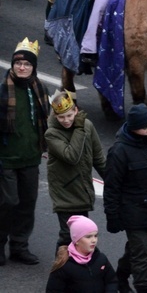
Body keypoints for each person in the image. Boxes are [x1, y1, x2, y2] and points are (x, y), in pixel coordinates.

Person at [104, 103, 147, 293]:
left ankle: (120, 277)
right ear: (133, 127)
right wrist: (113, 216)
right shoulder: (119, 152)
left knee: (136, 249)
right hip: (132, 212)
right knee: (143, 254)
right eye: (144, 127)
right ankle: (143, 288)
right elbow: (112, 187)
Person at [0, 38, 50, 266]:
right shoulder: (2, 92)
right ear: (12, 65)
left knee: (27, 203)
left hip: (30, 158)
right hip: (6, 159)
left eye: (27, 64)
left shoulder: (40, 89)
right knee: (8, 202)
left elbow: (47, 122)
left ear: (33, 67)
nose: (22, 67)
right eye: (18, 63)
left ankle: (20, 246)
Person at [45, 90, 106, 248]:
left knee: (81, 238)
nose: (66, 120)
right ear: (55, 116)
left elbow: (98, 158)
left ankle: (75, 269)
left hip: (82, 191)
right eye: (61, 117)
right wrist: (79, 129)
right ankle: (59, 270)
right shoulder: (52, 134)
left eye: (69, 115)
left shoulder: (87, 125)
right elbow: (72, 156)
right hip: (65, 193)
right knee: (68, 237)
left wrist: (113, 182)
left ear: (75, 111)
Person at [46, 215, 118, 292]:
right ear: (76, 240)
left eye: (95, 236)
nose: (94, 240)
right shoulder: (64, 265)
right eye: (88, 237)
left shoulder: (101, 259)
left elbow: (111, 281)